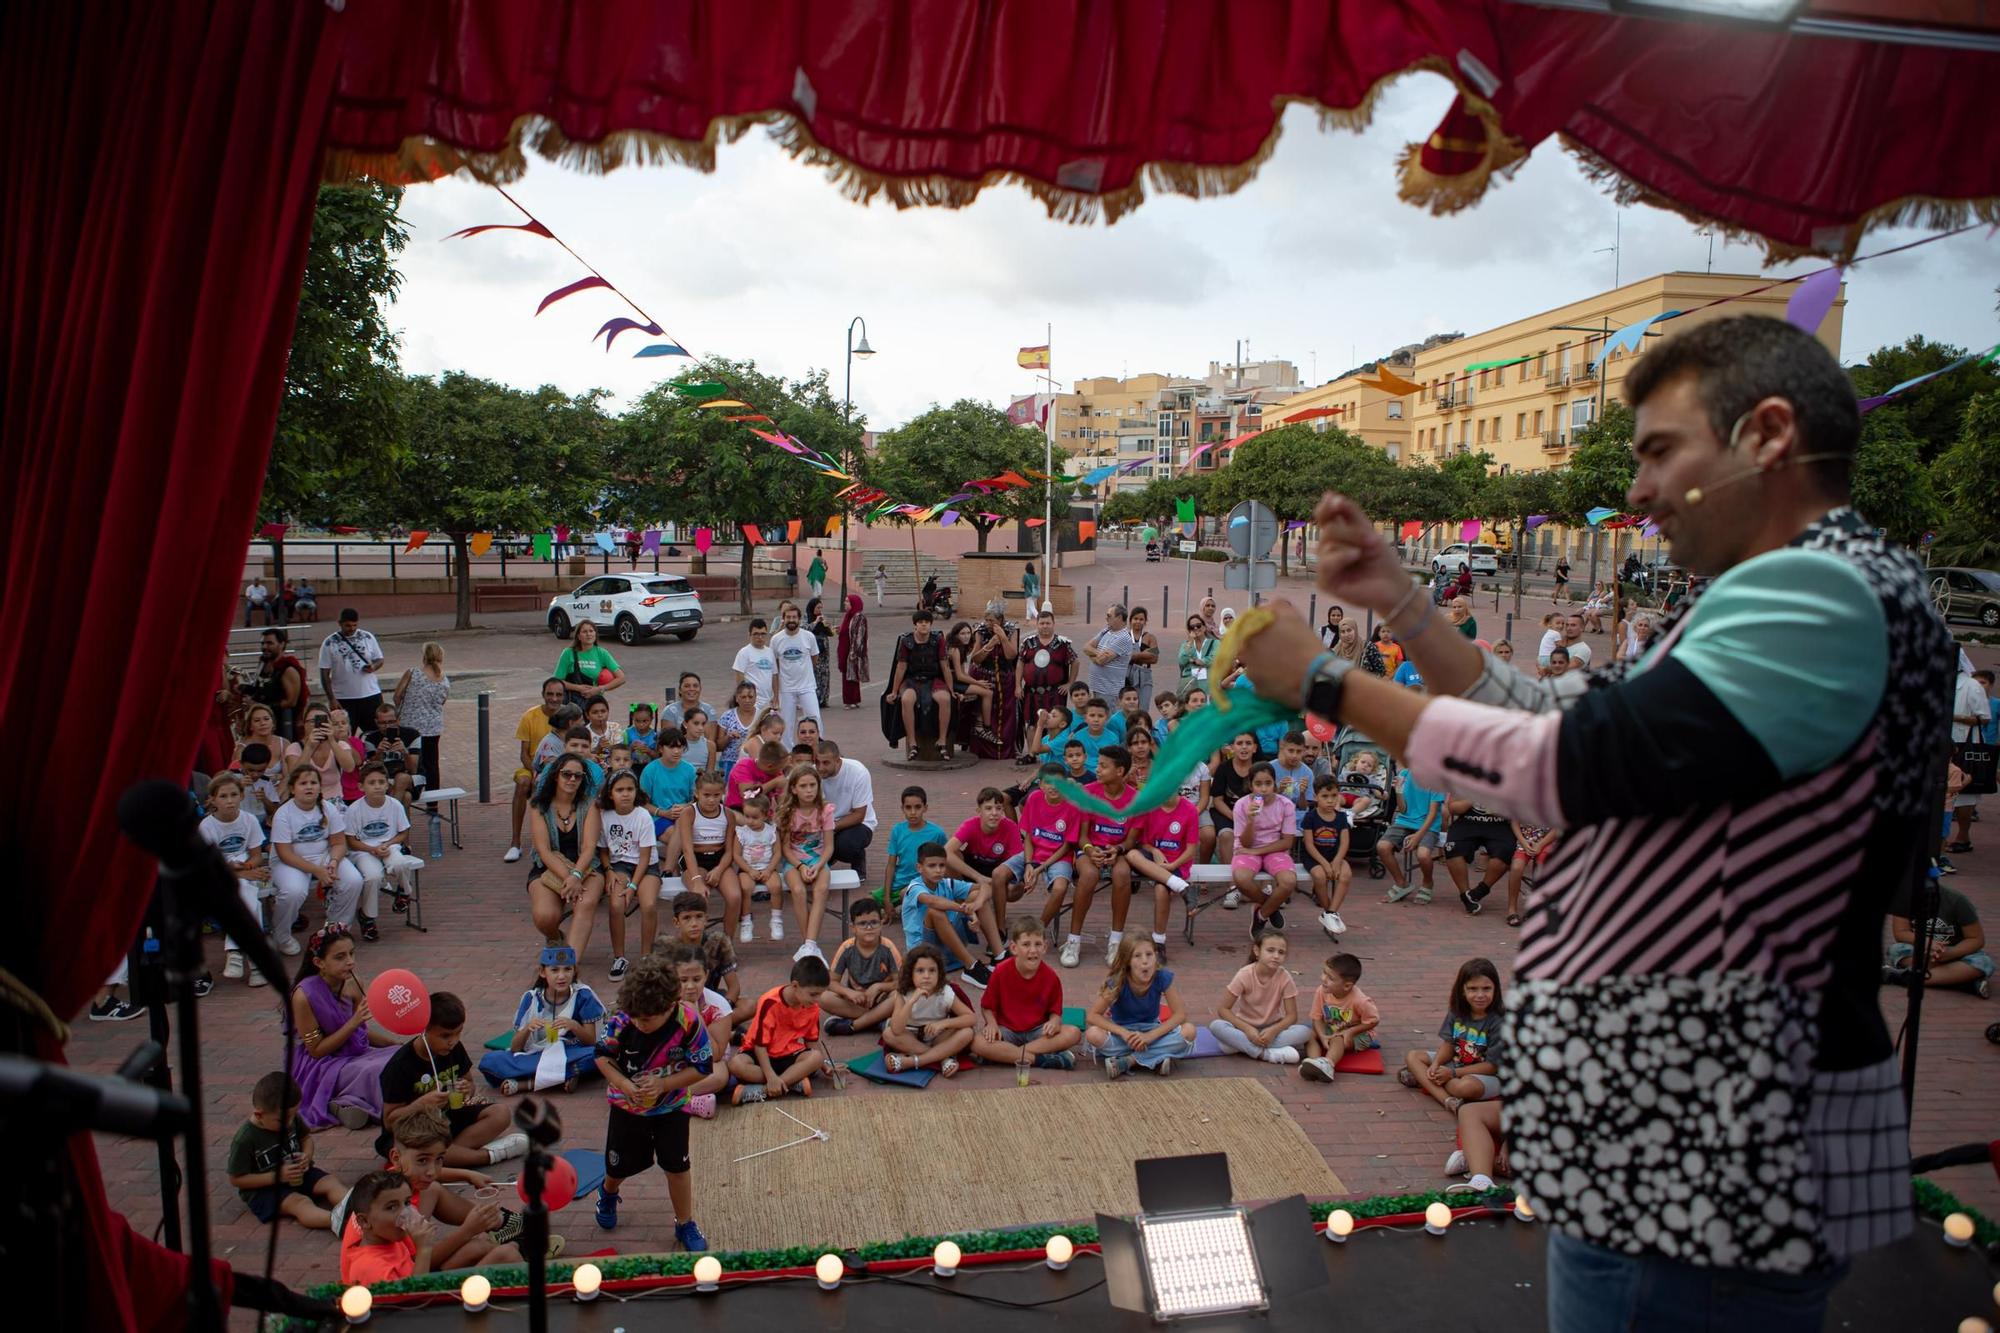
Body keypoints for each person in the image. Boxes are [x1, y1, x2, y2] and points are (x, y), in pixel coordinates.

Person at [592, 955, 714, 1250]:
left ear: (670, 1004)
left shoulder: (688, 1021)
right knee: (618, 1167)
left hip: (672, 1108)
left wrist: (663, 1085)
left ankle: (684, 1223)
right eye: (635, 1017)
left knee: (677, 1166)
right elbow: (602, 1057)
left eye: (647, 1019)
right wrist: (624, 1085)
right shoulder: (622, 1019)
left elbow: (702, 1067)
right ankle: (608, 1193)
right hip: (626, 1107)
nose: (639, 1023)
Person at [377, 991, 524, 1166]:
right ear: (424, 1030)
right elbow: (389, 1122)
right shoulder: (400, 1066)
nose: (453, 1041)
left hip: (447, 1118)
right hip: (413, 1130)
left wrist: (466, 1089)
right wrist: (422, 1104)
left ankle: (445, 1155)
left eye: (458, 1033)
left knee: (501, 1114)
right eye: (445, 1035)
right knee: (416, 1153)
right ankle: (486, 1156)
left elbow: (469, 1082)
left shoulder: (454, 1049)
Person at [287, 925, 397, 1130]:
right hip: (322, 1064)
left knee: (400, 1057)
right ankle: (338, 1104)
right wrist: (353, 1022)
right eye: (340, 957)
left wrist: (395, 1044)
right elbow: (316, 1050)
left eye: (352, 953)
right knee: (375, 1070)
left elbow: (362, 1033)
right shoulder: (303, 996)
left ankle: (352, 1101)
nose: (350, 962)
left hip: (356, 1053)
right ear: (319, 963)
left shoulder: (355, 984)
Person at [480, 944, 605, 1093]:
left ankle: (528, 1083)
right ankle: (565, 1076)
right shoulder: (531, 998)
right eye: (554, 970)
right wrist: (527, 1029)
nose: (561, 976)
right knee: (491, 1061)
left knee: (598, 1054)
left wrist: (574, 1026)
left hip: (570, 1051)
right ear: (542, 972)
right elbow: (515, 1048)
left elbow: (590, 1041)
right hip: (537, 1054)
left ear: (574, 971)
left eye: (567, 969)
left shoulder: (583, 995)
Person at [228, 1071, 345, 1230]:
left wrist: (306, 1155)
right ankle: (340, 1223)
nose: (289, 1122)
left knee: (329, 1182)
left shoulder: (289, 1118)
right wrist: (277, 1177)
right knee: (300, 1203)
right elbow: (236, 1179)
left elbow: (306, 1139)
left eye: (293, 1115)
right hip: (264, 1189)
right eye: (282, 1119)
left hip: (297, 1174)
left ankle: (360, 1210)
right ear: (259, 1114)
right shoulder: (245, 1139)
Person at [1062, 745, 1139, 969]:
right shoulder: (1089, 792)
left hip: (1118, 850)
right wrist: (1089, 850)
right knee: (1088, 875)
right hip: (1090, 848)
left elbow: (1132, 839)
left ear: (1120, 771)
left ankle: (1116, 941)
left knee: (1122, 873)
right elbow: (1083, 835)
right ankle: (1073, 940)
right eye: (1098, 765)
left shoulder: (1135, 799)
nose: (1097, 770)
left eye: (1103, 766)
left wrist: (1118, 850)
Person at [972, 917, 1081, 1070]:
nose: (1033, 950)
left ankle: (1006, 1055)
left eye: (1038, 944)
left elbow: (1055, 1012)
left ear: (1045, 947)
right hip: (1006, 1031)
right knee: (977, 1042)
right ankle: (1041, 1060)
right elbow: (987, 1006)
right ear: (1014, 948)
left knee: (1073, 1033)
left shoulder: (1051, 977)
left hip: (1038, 1032)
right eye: (1026, 944)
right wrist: (991, 1023)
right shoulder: (1001, 971)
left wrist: (1054, 1022)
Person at [200, 773, 277, 986]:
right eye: (223, 796)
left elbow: (255, 855)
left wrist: (248, 868)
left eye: (234, 795)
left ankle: (236, 952)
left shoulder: (249, 820)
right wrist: (241, 874)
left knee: (247, 896)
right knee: (246, 894)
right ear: (213, 799)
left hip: (243, 871)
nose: (230, 800)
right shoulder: (207, 827)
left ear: (242, 796)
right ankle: (254, 963)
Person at [525, 754, 605, 958]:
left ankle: (570, 964)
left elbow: (589, 847)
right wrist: (568, 877)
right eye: (566, 774)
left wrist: (576, 875)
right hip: (549, 866)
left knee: (585, 903)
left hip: (586, 867)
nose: (572, 780)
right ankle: (555, 937)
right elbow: (543, 850)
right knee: (545, 916)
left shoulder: (589, 805)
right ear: (555, 776)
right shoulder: (538, 806)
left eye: (578, 776)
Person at [1400, 958, 1503, 1115]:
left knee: (1465, 1088)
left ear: (1496, 989)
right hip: (1456, 1063)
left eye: (1486, 989)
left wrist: (1452, 1074)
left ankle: (1424, 1079)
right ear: (1462, 990)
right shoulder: (1457, 1012)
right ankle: (1449, 1101)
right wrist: (1436, 1064)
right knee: (1413, 1056)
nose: (1480, 995)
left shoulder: (1500, 1021)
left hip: (1486, 1075)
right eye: (1473, 989)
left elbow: (1491, 1066)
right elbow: (1449, 1044)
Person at [1085, 936, 1196, 1078]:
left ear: (1156, 956)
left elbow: (1180, 1015)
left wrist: (1149, 1036)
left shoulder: (1162, 976)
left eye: (1149, 955)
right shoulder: (1117, 980)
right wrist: (1124, 1033)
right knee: (1093, 1034)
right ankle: (1157, 1058)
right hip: (1123, 1035)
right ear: (1127, 961)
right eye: (1137, 956)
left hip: (1152, 1031)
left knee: (1189, 1031)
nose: (1145, 961)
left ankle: (1130, 1061)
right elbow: (1092, 1016)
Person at [270, 765, 363, 930]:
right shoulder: (283, 813)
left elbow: (339, 843)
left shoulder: (329, 808)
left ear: (320, 787)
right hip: (291, 861)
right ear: (292, 789)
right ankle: (282, 935)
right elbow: (284, 854)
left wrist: (334, 862)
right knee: (293, 892)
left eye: (313, 782)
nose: (309, 787)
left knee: (353, 881)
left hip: (323, 855)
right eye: (303, 783)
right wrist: (317, 870)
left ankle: (336, 927)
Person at [728, 954, 830, 1102]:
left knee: (817, 1057)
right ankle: (792, 1082)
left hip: (789, 1055)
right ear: (795, 986)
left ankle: (763, 1090)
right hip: (761, 1054)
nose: (817, 999)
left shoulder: (812, 1007)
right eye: (813, 994)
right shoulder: (770, 1002)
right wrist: (770, 1076)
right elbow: (759, 1046)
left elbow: (812, 1041)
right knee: (736, 1065)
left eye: (821, 994)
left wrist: (824, 1065)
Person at [344, 762, 422, 942]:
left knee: (400, 864)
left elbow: (403, 832)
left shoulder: (394, 805)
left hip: (389, 847)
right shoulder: (354, 809)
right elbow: (351, 841)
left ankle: (404, 891)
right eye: (371, 783)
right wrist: (371, 849)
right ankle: (367, 917)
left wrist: (388, 844)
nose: (377, 786)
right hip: (364, 851)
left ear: (388, 784)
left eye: (381, 782)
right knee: (372, 877)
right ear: (361, 786)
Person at [1208, 929, 1307, 1064]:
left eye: (1281, 952)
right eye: (1270, 950)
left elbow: (1292, 1016)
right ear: (1257, 951)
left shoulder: (1285, 977)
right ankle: (1265, 1054)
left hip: (1272, 1030)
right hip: (1245, 1028)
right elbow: (1223, 1009)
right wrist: (1248, 1029)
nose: (1276, 956)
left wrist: (1273, 1030)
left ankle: (1243, 1047)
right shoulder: (1245, 974)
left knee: (1305, 1032)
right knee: (1216, 1026)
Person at [600, 770, 662, 975]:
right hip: (619, 865)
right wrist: (608, 871)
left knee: (649, 904)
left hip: (646, 866)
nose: (625, 794)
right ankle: (619, 957)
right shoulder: (604, 816)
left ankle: (646, 957)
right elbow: (602, 849)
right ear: (610, 793)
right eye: (619, 790)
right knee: (616, 905)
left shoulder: (642, 816)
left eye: (630, 789)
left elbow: (645, 857)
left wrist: (633, 887)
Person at [881, 944, 977, 1076]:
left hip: (937, 1036)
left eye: (932, 970)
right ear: (911, 973)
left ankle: (913, 1061)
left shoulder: (944, 992)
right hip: (911, 1038)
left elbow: (971, 1018)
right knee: (888, 1034)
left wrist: (943, 1024)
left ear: (939, 973)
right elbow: (897, 1029)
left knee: (967, 1032)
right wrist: (912, 1001)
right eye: (920, 971)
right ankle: (943, 1058)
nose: (926, 976)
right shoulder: (904, 993)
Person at [1885, 882, 1992, 997]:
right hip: (1923, 950)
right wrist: (1928, 943)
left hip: (1955, 952)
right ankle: (1963, 982)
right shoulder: (1904, 899)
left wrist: (1950, 953)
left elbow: (1976, 939)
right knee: (1896, 950)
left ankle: (1901, 977)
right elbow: (1901, 933)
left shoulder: (1957, 900)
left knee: (1983, 962)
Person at [1230, 763, 1299, 934]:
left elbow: (1287, 842)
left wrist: (1257, 851)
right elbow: (1245, 843)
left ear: (1274, 784)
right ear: (1251, 785)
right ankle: (1271, 907)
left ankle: (1261, 915)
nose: (1263, 789)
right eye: (1258, 784)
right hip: (1247, 849)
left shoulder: (1286, 804)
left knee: (1288, 881)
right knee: (1241, 878)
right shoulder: (1241, 804)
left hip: (1275, 850)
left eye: (1268, 783)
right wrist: (1251, 819)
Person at [506, 679, 569, 864]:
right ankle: (515, 843)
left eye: (558, 694)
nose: (554, 698)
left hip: (562, 767)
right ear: (543, 694)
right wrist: (536, 773)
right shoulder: (529, 716)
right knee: (523, 784)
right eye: (550, 694)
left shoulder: (569, 715)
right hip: (532, 767)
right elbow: (524, 754)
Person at [820, 896, 903, 1035]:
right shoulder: (847, 948)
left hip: (882, 999)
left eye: (874, 922)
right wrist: (849, 992)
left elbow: (901, 982)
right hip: (857, 1001)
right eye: (862, 923)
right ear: (853, 927)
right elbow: (831, 982)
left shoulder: (888, 947)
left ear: (881, 924)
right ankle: (878, 1021)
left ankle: (854, 1025)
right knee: (823, 998)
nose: (869, 928)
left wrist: (879, 987)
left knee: (899, 996)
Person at [778, 761, 835, 957]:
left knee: (821, 889)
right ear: (793, 789)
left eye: (813, 785)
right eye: (803, 786)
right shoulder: (788, 813)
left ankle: (809, 945)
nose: (809, 790)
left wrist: (818, 866)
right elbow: (785, 849)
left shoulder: (825, 811)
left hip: (818, 860)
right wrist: (800, 866)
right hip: (794, 862)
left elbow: (829, 847)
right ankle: (808, 944)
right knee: (798, 890)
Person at [1300, 952, 1378, 1083]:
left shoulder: (1361, 1000)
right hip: (1332, 1028)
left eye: (1330, 977)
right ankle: (1314, 1063)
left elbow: (1373, 1020)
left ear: (1347, 985)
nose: (1323, 978)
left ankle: (1328, 1065)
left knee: (1338, 1038)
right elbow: (1316, 1017)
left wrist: (1350, 1032)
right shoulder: (1322, 990)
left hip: (1358, 1035)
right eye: (1324, 973)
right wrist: (1322, 1036)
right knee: (1309, 1034)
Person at [889, 609, 954, 759]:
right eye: (920, 623)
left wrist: (951, 689)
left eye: (927, 623)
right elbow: (901, 667)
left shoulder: (937, 640)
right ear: (915, 626)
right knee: (906, 700)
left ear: (931, 625)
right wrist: (894, 691)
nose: (924, 625)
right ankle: (913, 743)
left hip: (933, 679)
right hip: (912, 679)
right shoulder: (907, 641)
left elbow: (945, 666)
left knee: (945, 699)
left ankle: (942, 740)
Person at [392, 641, 451, 793]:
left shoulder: (412, 673)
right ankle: (433, 803)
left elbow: (397, 696)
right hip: (433, 727)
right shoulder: (444, 680)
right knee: (432, 764)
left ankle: (411, 794)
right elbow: (442, 701)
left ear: (424, 657)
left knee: (411, 762)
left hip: (411, 726)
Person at [1441, 796, 1513, 916]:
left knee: (1506, 850)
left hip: (1498, 824)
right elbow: (1453, 808)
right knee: (1452, 847)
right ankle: (1465, 895)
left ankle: (1479, 892)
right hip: (1468, 821)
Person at [1299, 781, 1354, 938]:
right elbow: (1309, 844)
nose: (1330, 800)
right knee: (1320, 876)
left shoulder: (1341, 817)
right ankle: (1328, 911)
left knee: (1346, 875)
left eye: (1334, 796)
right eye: (1325, 796)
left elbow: (1344, 843)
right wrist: (1324, 864)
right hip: (1314, 857)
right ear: (1316, 797)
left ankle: (1330, 913)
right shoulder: (1310, 817)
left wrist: (1336, 862)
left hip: (1334, 855)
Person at [318, 609, 386, 735]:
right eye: (348, 625)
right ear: (340, 623)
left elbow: (380, 659)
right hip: (344, 697)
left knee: (375, 733)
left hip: (370, 694)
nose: (352, 628)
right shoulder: (329, 643)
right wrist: (331, 698)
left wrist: (374, 667)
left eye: (355, 625)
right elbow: (324, 673)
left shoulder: (367, 637)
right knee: (345, 734)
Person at [884, 785, 947, 908]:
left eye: (917, 807)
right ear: (902, 808)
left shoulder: (937, 833)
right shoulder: (897, 830)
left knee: (908, 897)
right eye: (908, 807)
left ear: (925, 808)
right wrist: (886, 898)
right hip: (899, 883)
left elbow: (946, 863)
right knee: (869, 903)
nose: (913, 812)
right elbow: (891, 865)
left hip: (924, 885)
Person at [1950, 652, 1988, 853]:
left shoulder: (1972, 686)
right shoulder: (1939, 682)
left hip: (1964, 745)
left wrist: (1953, 717)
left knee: (1964, 795)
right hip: (1943, 745)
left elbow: (1984, 719)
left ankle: (1963, 837)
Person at [770, 602, 822, 746]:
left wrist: (805, 671)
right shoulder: (776, 639)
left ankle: (817, 748)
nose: (791, 620)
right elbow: (774, 665)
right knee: (786, 723)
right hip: (786, 689)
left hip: (807, 686)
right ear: (783, 619)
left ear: (799, 619)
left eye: (794, 617)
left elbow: (814, 657)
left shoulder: (809, 636)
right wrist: (775, 694)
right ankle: (787, 753)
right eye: (788, 617)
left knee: (814, 717)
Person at [248, 628, 310, 740]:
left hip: (284, 725)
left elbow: (291, 702)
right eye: (263, 643)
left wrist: (260, 705)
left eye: (269, 643)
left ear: (281, 644)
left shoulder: (288, 669)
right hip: (264, 723)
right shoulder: (263, 664)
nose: (265, 647)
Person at [556, 619, 625, 708]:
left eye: (591, 631)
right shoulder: (568, 653)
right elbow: (557, 681)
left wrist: (600, 689)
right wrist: (578, 688)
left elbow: (621, 678)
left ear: (595, 634)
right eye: (584, 632)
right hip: (571, 703)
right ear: (578, 636)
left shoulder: (602, 653)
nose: (588, 634)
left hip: (593, 703)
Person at [1084, 604, 1137, 703]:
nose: (1106, 618)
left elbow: (1101, 661)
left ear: (1119, 617)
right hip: (1096, 688)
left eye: (1109, 616)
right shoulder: (1106, 631)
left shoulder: (1124, 638)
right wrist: (1098, 653)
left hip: (1109, 692)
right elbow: (1086, 647)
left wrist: (1091, 656)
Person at [731, 619, 778, 713]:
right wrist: (745, 698)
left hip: (768, 702)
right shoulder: (744, 653)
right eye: (756, 634)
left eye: (763, 634)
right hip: (752, 702)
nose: (760, 637)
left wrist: (776, 696)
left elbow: (774, 676)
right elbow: (739, 677)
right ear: (749, 635)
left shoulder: (770, 652)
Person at [837, 593, 870, 709]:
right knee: (848, 675)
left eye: (847, 601)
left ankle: (851, 700)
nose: (845, 603)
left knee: (851, 675)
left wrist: (854, 652)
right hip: (845, 649)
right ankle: (852, 699)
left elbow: (859, 636)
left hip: (852, 651)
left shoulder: (858, 617)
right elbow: (846, 631)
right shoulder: (848, 616)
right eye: (845, 601)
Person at [1124, 606, 1160, 703]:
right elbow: (1122, 657)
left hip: (1144, 675)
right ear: (1130, 620)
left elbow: (1155, 658)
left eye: (1141, 619)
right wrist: (1146, 654)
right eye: (1135, 619)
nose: (1138, 622)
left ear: (1145, 621)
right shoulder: (1124, 636)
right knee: (1128, 705)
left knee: (1143, 706)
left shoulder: (1150, 637)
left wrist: (1134, 656)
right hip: (1126, 674)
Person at [1178, 614, 1215, 689]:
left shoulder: (1214, 643)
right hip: (1191, 683)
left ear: (1204, 628)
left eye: (1198, 625)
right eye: (1192, 627)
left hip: (1209, 683)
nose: (1195, 628)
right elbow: (1182, 660)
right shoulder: (1186, 645)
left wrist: (1201, 661)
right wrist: (1190, 642)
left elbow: (1216, 658)